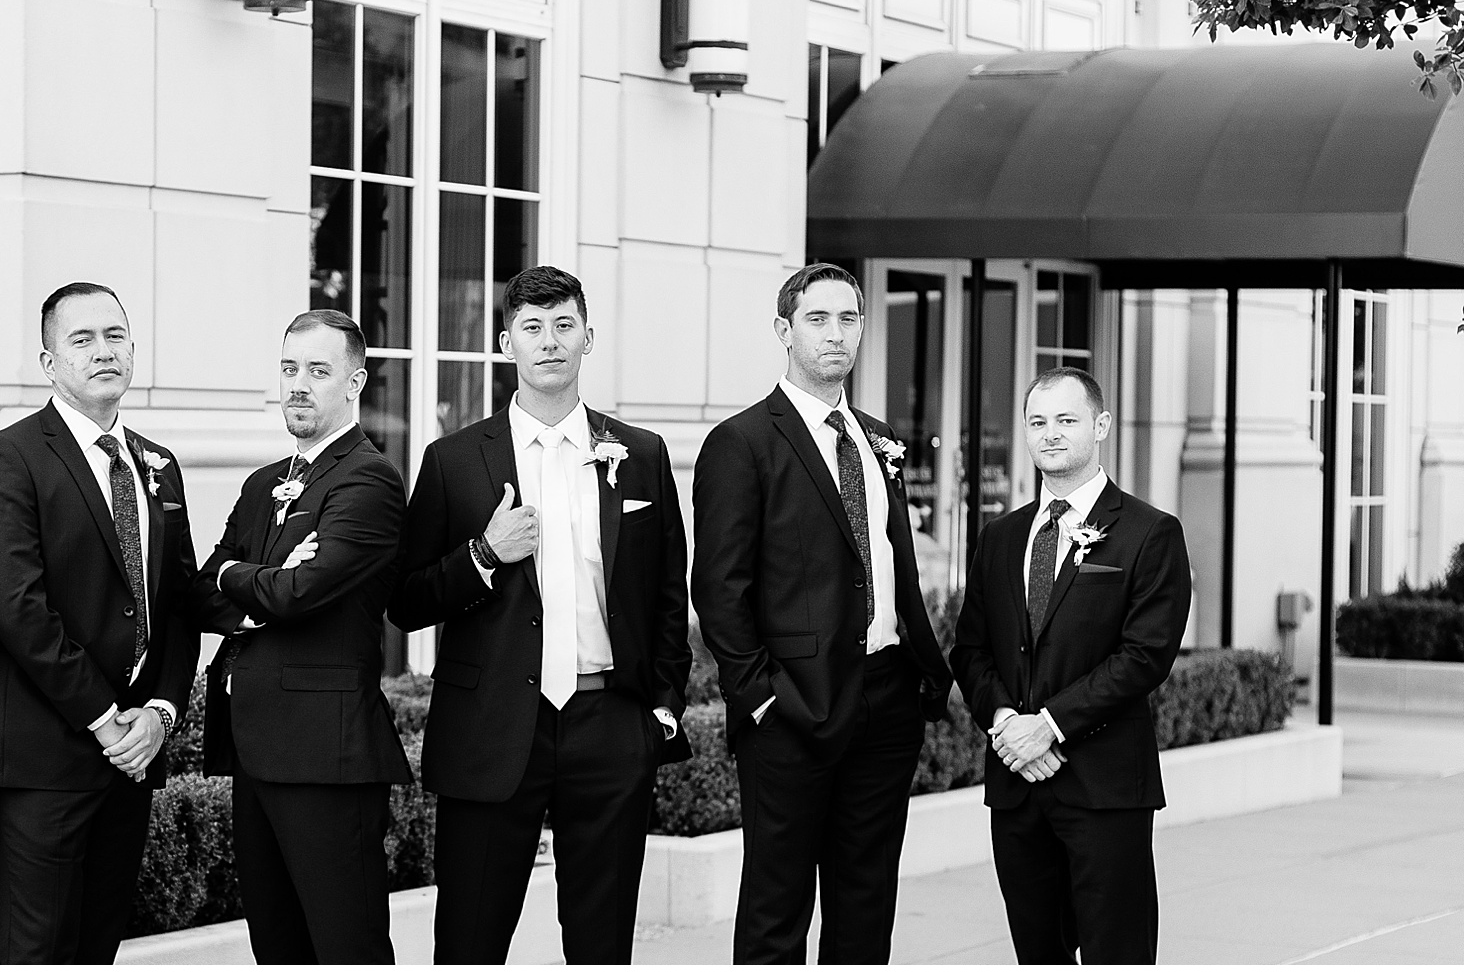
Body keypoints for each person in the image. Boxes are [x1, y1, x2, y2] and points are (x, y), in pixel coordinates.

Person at [390, 265, 692, 964]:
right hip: (490, 728)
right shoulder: (453, 460)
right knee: (468, 943)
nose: (549, 341)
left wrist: (662, 710)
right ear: (507, 343)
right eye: (532, 327)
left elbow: (666, 596)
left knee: (601, 945)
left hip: (610, 725)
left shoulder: (641, 454)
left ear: (588, 337)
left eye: (563, 325)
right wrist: (483, 554)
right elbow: (403, 600)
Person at [691, 263, 954, 964]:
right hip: (792, 708)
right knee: (777, 909)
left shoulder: (877, 438)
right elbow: (719, 587)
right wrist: (760, 697)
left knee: (866, 903)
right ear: (784, 330)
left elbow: (890, 560)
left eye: (848, 319)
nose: (835, 334)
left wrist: (921, 675)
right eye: (817, 319)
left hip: (887, 699)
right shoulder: (742, 442)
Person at [0, 282, 200, 963]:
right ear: (49, 361)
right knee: (38, 953)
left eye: (115, 336)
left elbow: (178, 602)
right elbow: (17, 607)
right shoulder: (7, 459)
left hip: (133, 756)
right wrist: (104, 717)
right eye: (82, 339)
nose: (103, 351)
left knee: (99, 949)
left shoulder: (158, 463)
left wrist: (161, 712)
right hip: (45, 756)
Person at [190, 309, 411, 964]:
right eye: (290, 368)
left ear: (355, 382)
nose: (299, 384)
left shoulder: (369, 479)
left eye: (318, 370)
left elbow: (299, 592)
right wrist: (254, 585)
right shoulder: (264, 483)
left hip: (326, 755)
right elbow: (203, 590)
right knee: (277, 948)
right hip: (253, 750)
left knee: (347, 948)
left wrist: (241, 576)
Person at [951, 366, 1192, 964]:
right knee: (1037, 957)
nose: (1050, 433)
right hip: (1017, 787)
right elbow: (970, 649)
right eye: (1038, 422)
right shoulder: (1000, 537)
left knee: (1118, 956)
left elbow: (1144, 656)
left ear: (1101, 425)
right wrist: (1008, 724)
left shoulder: (1150, 532)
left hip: (1104, 787)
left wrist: (1049, 726)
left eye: (1066, 419)